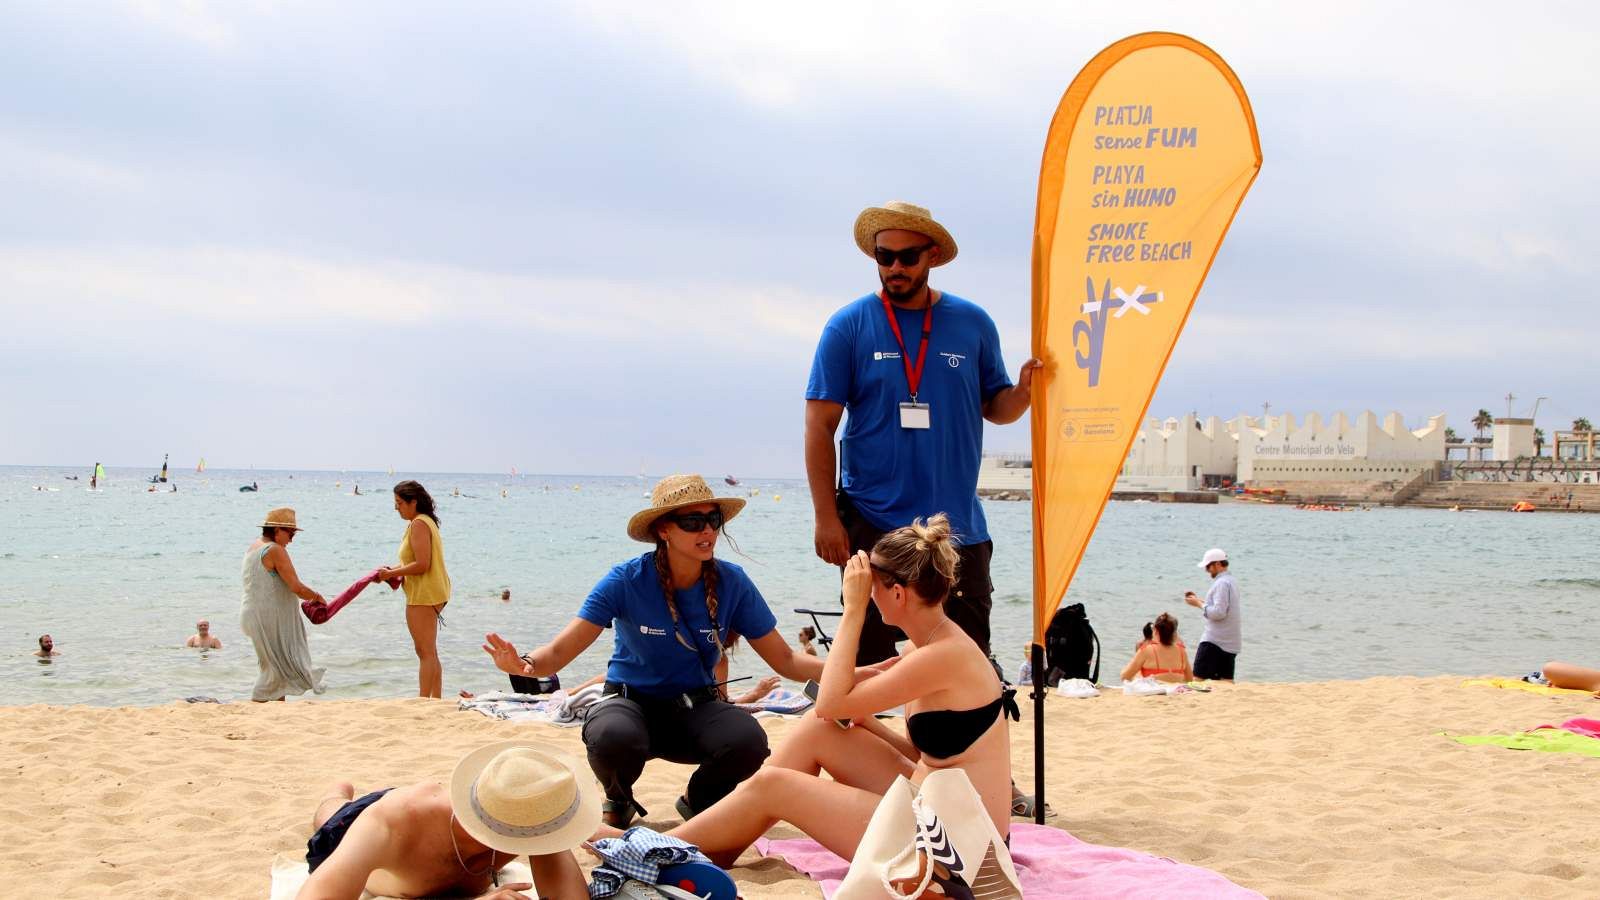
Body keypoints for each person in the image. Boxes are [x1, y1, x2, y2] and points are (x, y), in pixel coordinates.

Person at [623, 515, 1016, 875]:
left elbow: (830, 701)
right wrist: (869, 725)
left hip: (959, 849)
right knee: (818, 729)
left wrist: (853, 611)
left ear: (898, 594)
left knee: (774, 785)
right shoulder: (925, 647)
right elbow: (927, 755)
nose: (867, 596)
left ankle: (655, 848)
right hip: (936, 804)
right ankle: (713, 846)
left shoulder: (942, 657)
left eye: (870, 588)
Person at [482, 474, 829, 829]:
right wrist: (523, 665)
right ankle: (619, 798)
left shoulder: (733, 581)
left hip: (695, 708)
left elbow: (785, 660)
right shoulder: (625, 580)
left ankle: (698, 800)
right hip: (628, 704)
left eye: (713, 520)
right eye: (692, 522)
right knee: (611, 736)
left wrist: (846, 671)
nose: (707, 531)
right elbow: (558, 651)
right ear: (664, 530)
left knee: (748, 740)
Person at [805, 200, 1040, 666]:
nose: (894, 267)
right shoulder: (848, 326)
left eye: (907, 257)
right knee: (867, 666)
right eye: (884, 256)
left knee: (966, 663)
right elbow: (819, 426)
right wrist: (825, 517)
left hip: (957, 527)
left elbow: (996, 407)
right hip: (873, 520)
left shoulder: (973, 323)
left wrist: (1024, 393)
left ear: (931, 255)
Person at [295, 741, 595, 900]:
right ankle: (336, 793)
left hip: (424, 808)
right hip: (359, 824)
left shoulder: (535, 816)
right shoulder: (393, 824)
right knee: (331, 816)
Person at [242, 509, 327, 701]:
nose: (292, 539)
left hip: (252, 614)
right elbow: (296, 587)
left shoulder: (254, 546)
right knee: (277, 669)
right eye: (291, 533)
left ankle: (275, 709)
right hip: (269, 617)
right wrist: (317, 597)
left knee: (275, 669)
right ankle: (258, 704)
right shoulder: (275, 550)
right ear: (277, 530)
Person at [377, 480, 452, 699]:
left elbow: (422, 564)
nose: (396, 508)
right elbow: (415, 561)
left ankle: (423, 700)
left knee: (425, 652)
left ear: (413, 502)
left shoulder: (419, 523)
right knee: (429, 650)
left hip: (425, 594)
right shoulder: (424, 521)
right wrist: (391, 571)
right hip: (433, 591)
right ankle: (435, 699)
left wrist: (390, 574)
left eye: (399, 503)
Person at [1184, 548, 1242, 681]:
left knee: (1197, 680)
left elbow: (1219, 613)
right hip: (1230, 642)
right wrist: (1198, 601)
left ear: (1218, 564)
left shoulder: (1222, 583)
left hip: (1215, 641)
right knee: (1225, 682)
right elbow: (1224, 607)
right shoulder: (1231, 581)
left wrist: (1198, 604)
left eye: (1208, 566)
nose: (1206, 570)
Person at [1119, 613, 1192, 683]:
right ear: (1174, 634)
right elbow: (1189, 679)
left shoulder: (1146, 650)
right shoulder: (1182, 651)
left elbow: (1125, 677)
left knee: (1137, 674)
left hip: (1154, 688)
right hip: (1174, 688)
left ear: (1156, 631)